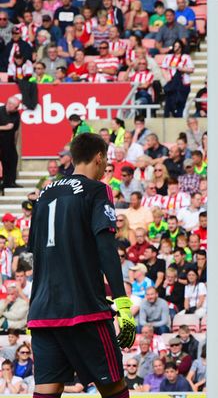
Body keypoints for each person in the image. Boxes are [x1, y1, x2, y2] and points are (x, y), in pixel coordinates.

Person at [27, 132, 136, 398]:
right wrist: (122, 304)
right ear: (99, 157)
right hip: (84, 309)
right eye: (106, 159)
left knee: (47, 390)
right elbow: (107, 249)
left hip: (43, 312)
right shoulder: (98, 189)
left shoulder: (44, 195)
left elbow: (35, 251)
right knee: (114, 388)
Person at [0, 96, 21, 188]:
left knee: (12, 160)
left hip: (9, 143)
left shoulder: (16, 114)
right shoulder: (0, 111)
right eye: (15, 107)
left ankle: (10, 182)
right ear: (9, 104)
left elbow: (16, 130)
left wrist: (15, 143)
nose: (17, 109)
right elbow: (9, 127)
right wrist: (5, 127)